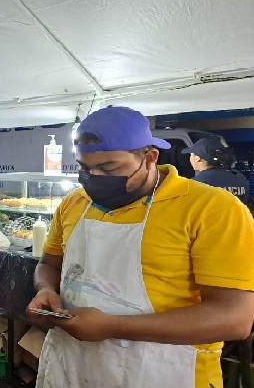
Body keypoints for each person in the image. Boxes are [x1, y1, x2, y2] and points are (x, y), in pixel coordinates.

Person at [27, 106, 254, 388]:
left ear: (149, 158)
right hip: (72, 367)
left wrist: (114, 327)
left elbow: (235, 318)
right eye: (85, 169)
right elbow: (49, 264)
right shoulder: (75, 203)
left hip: (164, 371)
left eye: (109, 168)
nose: (94, 178)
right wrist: (45, 290)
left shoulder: (211, 209)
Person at [182, 136, 251, 203]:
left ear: (197, 158)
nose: (190, 158)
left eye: (191, 155)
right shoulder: (241, 180)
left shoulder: (194, 184)